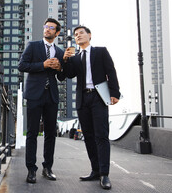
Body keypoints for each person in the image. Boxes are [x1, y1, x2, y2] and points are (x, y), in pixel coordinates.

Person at [63, 25, 120, 190]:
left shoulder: (101, 51)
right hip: (82, 98)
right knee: (87, 136)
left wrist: (114, 92)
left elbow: (111, 71)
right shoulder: (75, 58)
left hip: (98, 97)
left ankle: (104, 174)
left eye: (81, 33)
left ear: (89, 35)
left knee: (101, 136)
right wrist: (66, 60)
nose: (78, 36)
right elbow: (69, 74)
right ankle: (95, 170)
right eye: (75, 34)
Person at [18, 18, 66, 184]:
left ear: (57, 32)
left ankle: (48, 168)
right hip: (34, 95)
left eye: (51, 28)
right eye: (46, 26)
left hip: (51, 96)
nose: (47, 29)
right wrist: (43, 65)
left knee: (50, 134)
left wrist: (59, 68)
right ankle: (31, 169)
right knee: (32, 133)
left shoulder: (60, 52)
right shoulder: (33, 46)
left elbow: (61, 77)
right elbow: (22, 66)